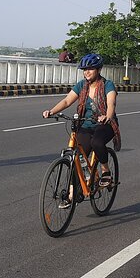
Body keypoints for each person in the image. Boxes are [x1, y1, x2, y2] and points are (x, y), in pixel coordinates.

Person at [42, 53, 121, 209]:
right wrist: (51, 111)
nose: (86, 72)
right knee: (76, 157)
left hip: (104, 125)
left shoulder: (107, 85)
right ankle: (72, 194)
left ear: (98, 69)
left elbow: (111, 103)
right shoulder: (81, 86)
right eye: (84, 69)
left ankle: (105, 172)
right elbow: (66, 101)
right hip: (85, 125)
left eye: (90, 69)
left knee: (97, 142)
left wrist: (107, 116)